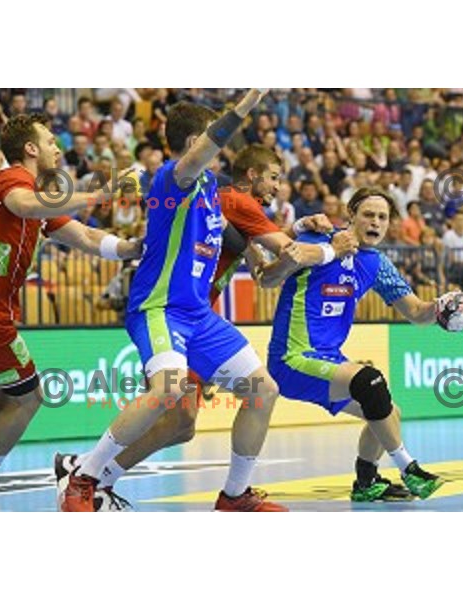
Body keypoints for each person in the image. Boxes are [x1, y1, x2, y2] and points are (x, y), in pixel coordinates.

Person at [54, 136, 358, 511]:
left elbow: (265, 275)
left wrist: (295, 232)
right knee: (175, 412)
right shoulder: (232, 198)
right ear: (251, 175)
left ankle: (89, 471)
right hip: (173, 313)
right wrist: (330, 247)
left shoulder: (226, 205)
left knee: (185, 423)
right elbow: (282, 251)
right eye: (274, 177)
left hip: (202, 320)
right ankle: (88, 475)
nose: (279, 186)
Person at [0, 114, 141, 512]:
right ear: (30, 148)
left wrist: (132, 248)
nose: (58, 147)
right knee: (29, 398)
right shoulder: (12, 181)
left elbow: (86, 236)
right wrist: (97, 195)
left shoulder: (38, 202)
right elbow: (23, 203)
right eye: (50, 141)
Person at [265, 187, 463, 501]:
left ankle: (366, 483)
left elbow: (416, 312)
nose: (375, 222)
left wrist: (441, 307)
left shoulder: (376, 264)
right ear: (350, 216)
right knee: (371, 383)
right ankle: (409, 468)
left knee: (389, 413)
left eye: (382, 217)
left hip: (328, 360)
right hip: (292, 358)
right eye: (368, 215)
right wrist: (298, 229)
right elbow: (269, 263)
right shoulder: (320, 242)